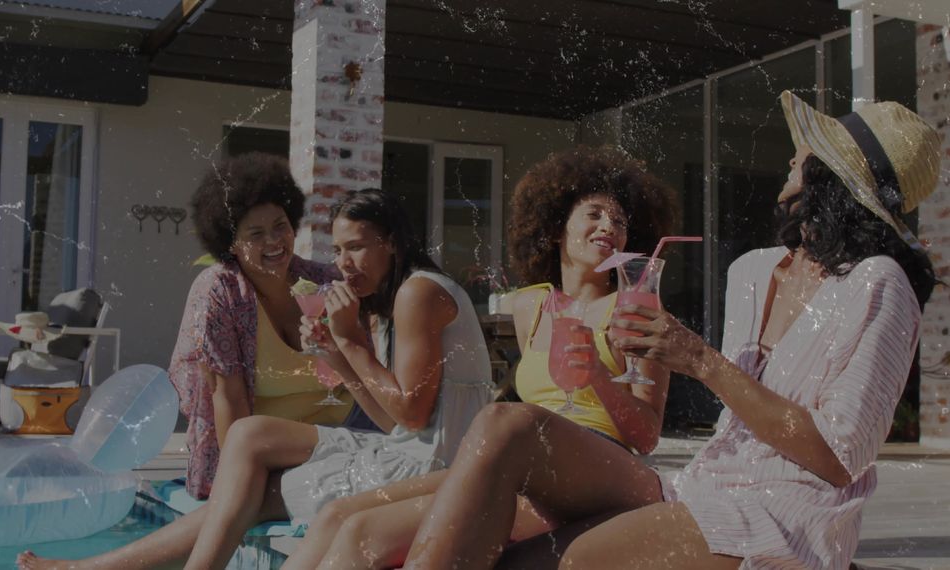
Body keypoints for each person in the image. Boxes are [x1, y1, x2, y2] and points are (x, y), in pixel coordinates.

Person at [399, 91, 941, 570]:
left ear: (834, 179)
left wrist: (699, 360)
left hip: (783, 512)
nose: (794, 155)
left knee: (564, 561)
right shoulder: (752, 270)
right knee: (505, 428)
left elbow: (840, 459)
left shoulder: (878, 285)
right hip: (698, 484)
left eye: (811, 152)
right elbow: (735, 422)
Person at [17, 188, 494, 570]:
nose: (343, 263)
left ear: (391, 242)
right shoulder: (392, 297)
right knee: (248, 440)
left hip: (434, 463)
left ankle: (99, 569)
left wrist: (346, 343)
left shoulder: (417, 295)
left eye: (356, 247)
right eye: (338, 249)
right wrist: (336, 352)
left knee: (248, 502)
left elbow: (407, 415)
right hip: (405, 449)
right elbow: (393, 422)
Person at [281, 146, 678, 569]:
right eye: (595, 214)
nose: (609, 227)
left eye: (619, 221)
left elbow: (646, 436)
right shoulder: (530, 306)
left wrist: (597, 374)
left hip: (596, 462)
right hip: (521, 459)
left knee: (379, 531)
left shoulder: (636, 311)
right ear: (555, 226)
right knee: (344, 519)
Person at [160, 152, 375, 501]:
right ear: (231, 243)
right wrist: (240, 486)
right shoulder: (221, 293)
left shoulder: (325, 281)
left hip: (350, 430)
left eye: (280, 226)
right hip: (275, 452)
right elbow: (230, 414)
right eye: (256, 234)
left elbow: (366, 371)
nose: (274, 241)